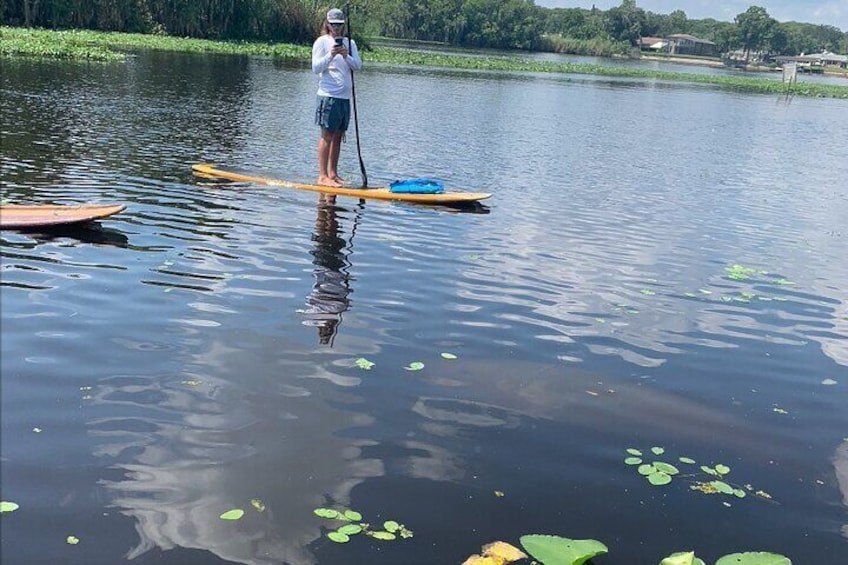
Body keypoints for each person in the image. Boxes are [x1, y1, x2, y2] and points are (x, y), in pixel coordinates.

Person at [312, 8, 362, 187]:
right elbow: (316, 68)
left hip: (344, 98)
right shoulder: (322, 42)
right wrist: (331, 55)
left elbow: (358, 66)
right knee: (327, 135)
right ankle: (322, 176)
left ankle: (333, 173)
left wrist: (345, 55)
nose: (337, 28)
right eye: (333, 25)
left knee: (339, 136)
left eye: (340, 25)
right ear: (327, 24)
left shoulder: (350, 43)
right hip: (328, 96)